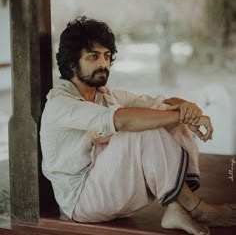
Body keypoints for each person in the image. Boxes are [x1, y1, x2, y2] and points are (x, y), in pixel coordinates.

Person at [40, 16, 236, 235]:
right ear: (71, 64)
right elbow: (122, 119)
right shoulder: (60, 104)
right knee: (139, 128)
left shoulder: (106, 95)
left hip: (111, 191)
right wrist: (178, 115)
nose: (104, 64)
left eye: (106, 56)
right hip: (81, 201)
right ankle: (196, 208)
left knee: (164, 116)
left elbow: (162, 104)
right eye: (94, 57)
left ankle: (176, 206)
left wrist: (188, 109)